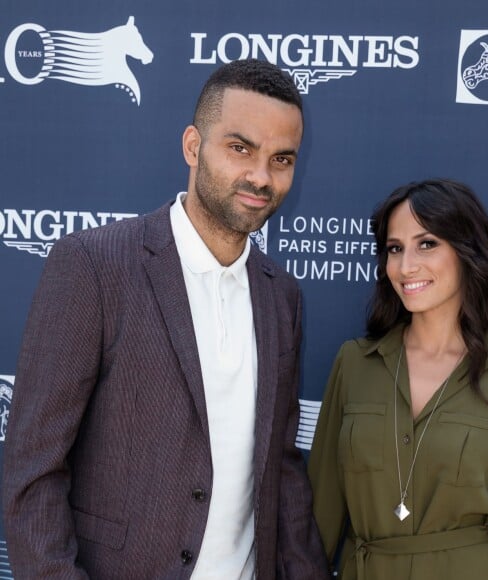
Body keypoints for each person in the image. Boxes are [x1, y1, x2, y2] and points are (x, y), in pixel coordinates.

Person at [3, 59, 329, 579]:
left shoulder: (281, 295)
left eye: (282, 158)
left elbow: (281, 472)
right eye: (240, 148)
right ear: (193, 147)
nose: (261, 177)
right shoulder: (94, 266)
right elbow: (33, 470)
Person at [308, 179, 488, 579]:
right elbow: (319, 521)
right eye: (395, 248)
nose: (406, 267)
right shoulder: (354, 364)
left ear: (465, 252)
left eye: (427, 244)